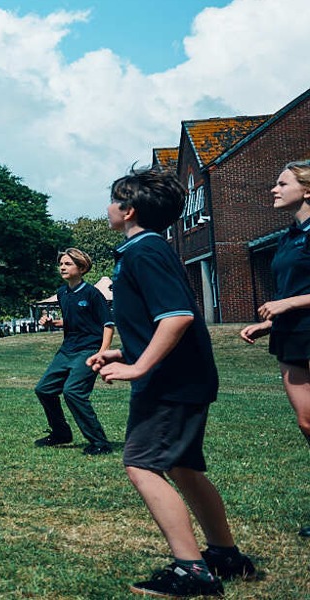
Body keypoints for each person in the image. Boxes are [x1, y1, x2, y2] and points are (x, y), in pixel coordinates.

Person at [88, 168, 258, 596]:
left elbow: (178, 317)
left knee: (142, 463)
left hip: (171, 383)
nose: (108, 206)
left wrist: (138, 368)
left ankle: (192, 570)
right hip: (180, 378)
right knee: (183, 466)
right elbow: (160, 322)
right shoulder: (144, 250)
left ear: (127, 210)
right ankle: (224, 555)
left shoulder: (145, 252)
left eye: (113, 200)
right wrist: (124, 352)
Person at [235, 158, 310, 539]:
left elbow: (294, 296)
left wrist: (287, 305)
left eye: (282, 183)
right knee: (307, 423)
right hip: (291, 336)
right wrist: (269, 323)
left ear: (308, 190)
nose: (274, 189)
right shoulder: (287, 237)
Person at [31, 249, 113, 456]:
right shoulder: (62, 293)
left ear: (82, 268)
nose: (62, 267)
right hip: (67, 350)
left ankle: (99, 442)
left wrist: (102, 353)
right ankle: (61, 434)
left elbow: (108, 325)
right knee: (44, 389)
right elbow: (73, 320)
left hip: (88, 349)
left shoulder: (93, 294)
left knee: (73, 392)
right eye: (61, 264)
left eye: (68, 264)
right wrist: (53, 322)